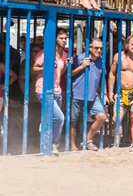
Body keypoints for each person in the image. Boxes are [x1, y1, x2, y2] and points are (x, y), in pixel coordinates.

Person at [32, 28, 69, 156]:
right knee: (60, 118)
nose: (64, 40)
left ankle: (45, 142)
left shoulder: (64, 55)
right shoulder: (45, 53)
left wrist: (66, 66)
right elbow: (34, 68)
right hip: (43, 89)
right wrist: (45, 67)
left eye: (65, 38)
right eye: (61, 38)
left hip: (57, 90)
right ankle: (53, 145)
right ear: (55, 39)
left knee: (52, 119)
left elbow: (60, 73)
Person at [69, 38, 108, 151]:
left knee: (102, 117)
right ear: (90, 48)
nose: (99, 50)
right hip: (77, 94)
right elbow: (68, 74)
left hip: (93, 95)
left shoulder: (101, 61)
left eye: (101, 48)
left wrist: (104, 94)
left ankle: (87, 140)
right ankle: (72, 145)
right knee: (73, 121)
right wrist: (82, 66)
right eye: (96, 48)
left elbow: (102, 79)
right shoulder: (80, 58)